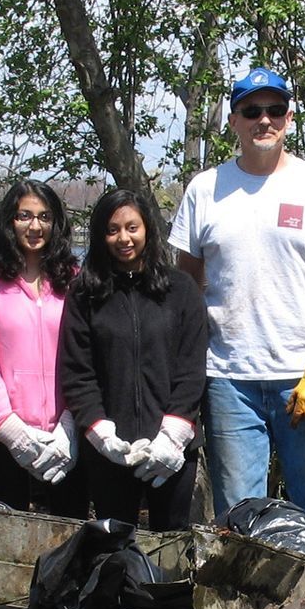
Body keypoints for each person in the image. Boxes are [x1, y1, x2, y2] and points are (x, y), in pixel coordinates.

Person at [171, 67, 305, 532]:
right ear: (234, 120)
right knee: (239, 519)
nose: (264, 119)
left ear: (289, 117)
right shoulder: (205, 189)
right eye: (252, 110)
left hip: (304, 375)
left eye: (275, 110)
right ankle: (248, 606)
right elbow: (186, 287)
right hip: (228, 381)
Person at [57, 189, 208, 531]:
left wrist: (173, 436)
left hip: (173, 448)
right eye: (112, 230)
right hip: (112, 450)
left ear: (148, 230)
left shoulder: (181, 289)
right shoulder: (84, 294)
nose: (123, 238)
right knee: (114, 554)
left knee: (170, 551)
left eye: (131, 227)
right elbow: (78, 370)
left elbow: (192, 368)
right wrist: (100, 433)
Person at [0, 179, 84, 514]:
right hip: (9, 432)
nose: (35, 226)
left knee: (70, 530)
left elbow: (85, 355)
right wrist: (8, 428)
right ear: (10, 221)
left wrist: (70, 424)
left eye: (44, 217)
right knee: (11, 529)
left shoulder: (74, 279)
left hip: (66, 430)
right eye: (25, 216)